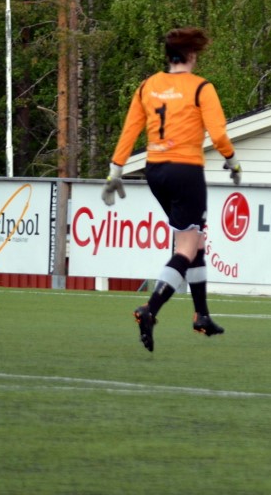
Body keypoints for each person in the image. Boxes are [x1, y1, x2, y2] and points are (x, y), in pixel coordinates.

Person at [102, 27, 242, 352]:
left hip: (155, 171)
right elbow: (218, 134)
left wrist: (115, 170)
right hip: (185, 170)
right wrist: (232, 161)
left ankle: (201, 315)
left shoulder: (147, 86)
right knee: (186, 247)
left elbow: (130, 129)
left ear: (168, 56)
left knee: (196, 238)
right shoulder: (201, 87)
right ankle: (150, 309)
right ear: (191, 55)